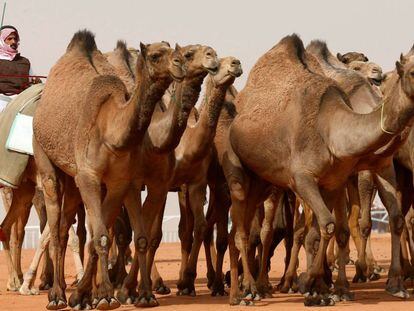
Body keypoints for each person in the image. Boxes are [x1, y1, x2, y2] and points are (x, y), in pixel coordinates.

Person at [0, 25, 39, 112]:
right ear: (1, 40)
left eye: (15, 39)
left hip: (20, 102)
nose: (13, 42)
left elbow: (33, 81)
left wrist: (36, 81)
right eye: (9, 39)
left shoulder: (24, 62)